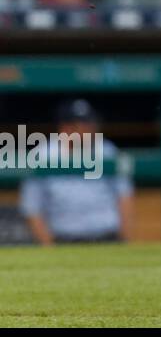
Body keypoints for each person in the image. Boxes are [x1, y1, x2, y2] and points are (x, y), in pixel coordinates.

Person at [20, 100, 133, 245]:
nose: (87, 129)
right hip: (64, 239)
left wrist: (126, 241)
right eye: (80, 125)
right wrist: (49, 248)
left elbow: (125, 198)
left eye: (89, 124)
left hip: (107, 236)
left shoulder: (107, 150)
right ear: (64, 128)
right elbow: (31, 207)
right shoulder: (43, 154)